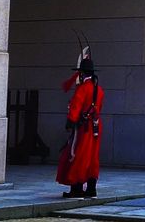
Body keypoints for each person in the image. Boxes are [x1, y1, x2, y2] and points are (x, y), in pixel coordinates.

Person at [57, 47, 104, 198]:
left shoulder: (83, 89)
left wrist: (70, 122)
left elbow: (76, 108)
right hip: (95, 126)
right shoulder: (99, 90)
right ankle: (91, 188)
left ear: (83, 73)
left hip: (83, 127)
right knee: (92, 156)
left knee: (77, 155)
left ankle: (76, 187)